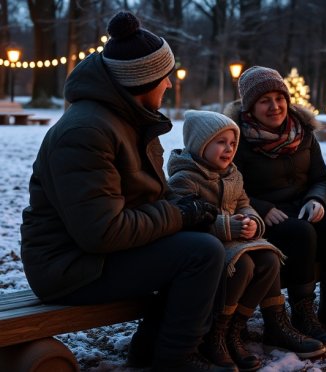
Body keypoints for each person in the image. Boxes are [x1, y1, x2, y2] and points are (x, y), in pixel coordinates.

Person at [20, 11, 234, 372]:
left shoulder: (128, 120)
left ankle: (150, 351)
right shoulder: (86, 132)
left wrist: (186, 207)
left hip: (93, 255)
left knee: (200, 239)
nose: (169, 85)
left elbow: (149, 194)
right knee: (200, 253)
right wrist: (179, 214)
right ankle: (174, 360)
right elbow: (101, 232)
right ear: (143, 81)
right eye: (164, 78)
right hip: (67, 267)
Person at [167, 110, 326, 368]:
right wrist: (227, 226)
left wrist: (253, 221)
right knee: (243, 266)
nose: (229, 149)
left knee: (269, 258)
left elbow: (244, 204)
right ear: (200, 144)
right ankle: (216, 333)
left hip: (236, 240)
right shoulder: (185, 178)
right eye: (221, 142)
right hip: (209, 244)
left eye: (232, 143)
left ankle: (235, 327)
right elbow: (187, 217)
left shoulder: (232, 174)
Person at [224, 66, 326, 348]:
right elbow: (229, 185)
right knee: (300, 233)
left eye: (280, 98)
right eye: (265, 100)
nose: (275, 106)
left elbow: (322, 179)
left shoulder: (303, 132)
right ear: (250, 106)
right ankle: (302, 313)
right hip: (259, 216)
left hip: (302, 206)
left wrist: (317, 199)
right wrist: (261, 207)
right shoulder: (237, 139)